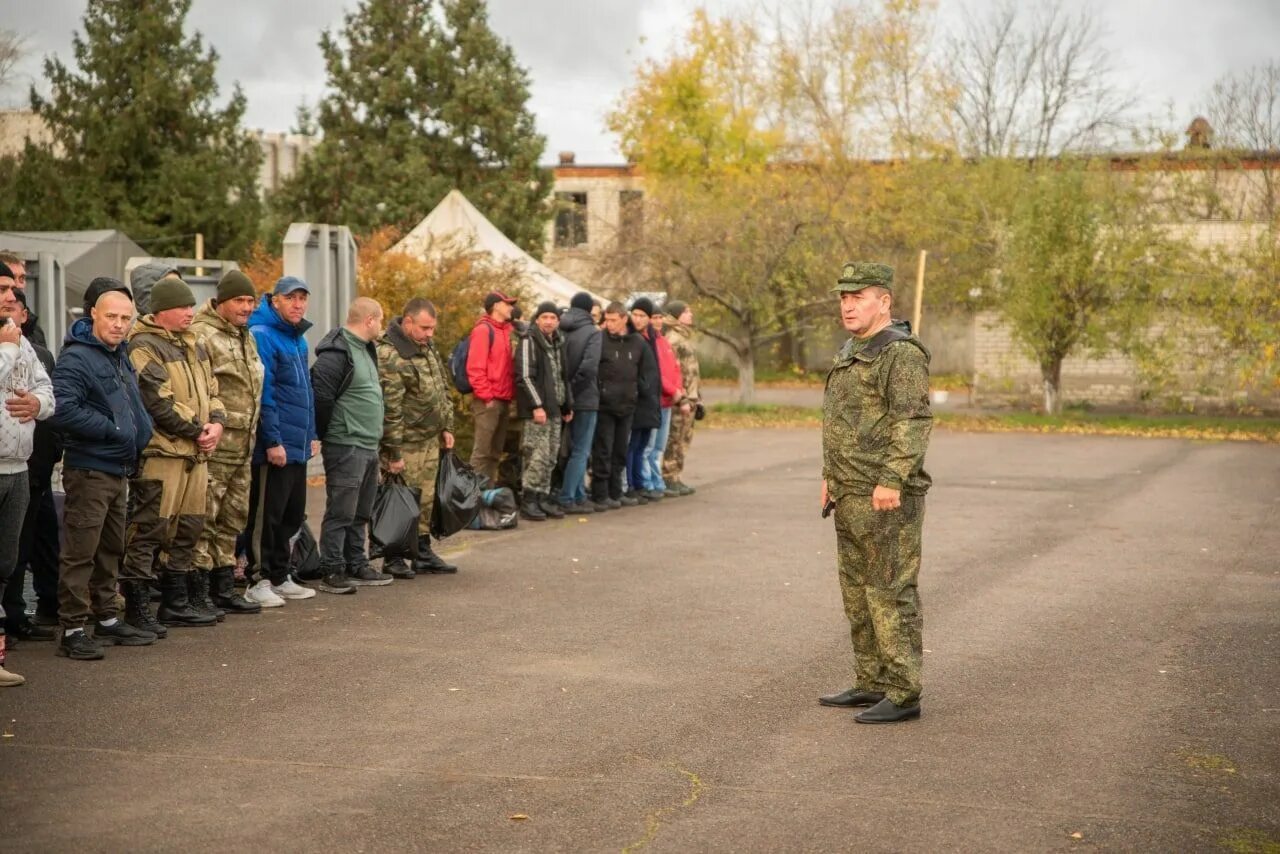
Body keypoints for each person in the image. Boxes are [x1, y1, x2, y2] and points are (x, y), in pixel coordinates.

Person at [818, 262, 933, 724]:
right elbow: (842, 422)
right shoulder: (853, 349)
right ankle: (872, 680)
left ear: (883, 302)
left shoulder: (900, 354)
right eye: (843, 297)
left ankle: (904, 692)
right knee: (857, 591)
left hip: (884, 494)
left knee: (890, 591)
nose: (847, 305)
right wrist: (830, 476)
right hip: (849, 490)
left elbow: (912, 421)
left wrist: (892, 478)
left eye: (858, 296)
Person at [51, 288, 154, 661]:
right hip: (90, 468)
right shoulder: (77, 358)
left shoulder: (119, 355)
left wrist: (141, 430)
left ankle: (107, 617)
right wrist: (113, 429)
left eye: (126, 318)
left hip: (119, 468)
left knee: (111, 548)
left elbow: (132, 406)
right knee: (81, 550)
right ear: (93, 313)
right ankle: (73, 627)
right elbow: (62, 410)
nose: (119, 324)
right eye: (112, 316)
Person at [122, 275, 227, 629]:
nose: (189, 311)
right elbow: (156, 401)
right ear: (162, 310)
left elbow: (213, 389)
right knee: (149, 530)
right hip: (163, 454)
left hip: (195, 455)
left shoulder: (194, 344)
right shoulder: (144, 346)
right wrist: (200, 430)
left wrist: (217, 423)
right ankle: (137, 610)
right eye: (182, 306)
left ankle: (176, 603)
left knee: (188, 529)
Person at [243, 276, 320, 608]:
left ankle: (280, 575)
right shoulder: (262, 335)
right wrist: (272, 440)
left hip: (298, 443)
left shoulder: (298, 340)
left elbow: (307, 392)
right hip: (275, 446)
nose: (298, 304)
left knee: (291, 513)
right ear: (274, 301)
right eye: (291, 298)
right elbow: (265, 394)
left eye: (303, 298)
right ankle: (258, 579)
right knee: (266, 515)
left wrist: (312, 433)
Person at [190, 270, 264, 615]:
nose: (247, 307)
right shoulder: (202, 334)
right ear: (221, 302)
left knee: (233, 518)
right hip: (216, 446)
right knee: (206, 517)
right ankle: (199, 591)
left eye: (251, 301)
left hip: (243, 447)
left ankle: (224, 585)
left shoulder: (244, 335)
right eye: (240, 300)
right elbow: (201, 389)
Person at [0, 262, 55, 684]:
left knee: (6, 563)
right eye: (0, 289)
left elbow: (46, 389)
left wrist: (37, 406)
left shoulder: (20, 339)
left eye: (11, 291)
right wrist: (6, 350)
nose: (8, 297)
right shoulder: (9, 342)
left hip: (17, 466)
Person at [376, 298, 458, 577]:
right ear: (408, 322)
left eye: (432, 328)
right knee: (402, 498)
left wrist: (447, 426)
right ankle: (393, 555)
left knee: (424, 498)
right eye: (424, 327)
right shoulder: (391, 354)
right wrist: (393, 452)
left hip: (429, 437)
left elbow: (441, 387)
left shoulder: (426, 347)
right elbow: (391, 407)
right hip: (406, 441)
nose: (429, 334)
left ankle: (422, 551)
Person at [312, 297, 388, 594]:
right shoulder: (337, 353)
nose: (381, 326)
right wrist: (322, 433)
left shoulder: (367, 350)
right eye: (380, 320)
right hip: (346, 443)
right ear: (369, 320)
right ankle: (332, 568)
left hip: (368, 444)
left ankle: (357, 562)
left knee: (362, 511)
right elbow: (322, 396)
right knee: (341, 510)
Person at [590, 302, 654, 512]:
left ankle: (615, 491)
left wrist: (638, 391)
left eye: (613, 320)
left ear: (623, 319)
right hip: (604, 405)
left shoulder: (637, 342)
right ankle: (600, 493)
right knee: (603, 450)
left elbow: (648, 371)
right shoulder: (599, 340)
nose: (609, 324)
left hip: (628, 405)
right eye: (606, 320)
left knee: (620, 450)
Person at [515, 301, 574, 521]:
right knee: (536, 456)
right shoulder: (529, 340)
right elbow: (525, 376)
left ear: (558, 321)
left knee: (550, 456)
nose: (549, 321)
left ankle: (542, 496)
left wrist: (567, 404)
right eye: (545, 317)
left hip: (556, 409)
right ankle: (529, 499)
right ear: (537, 319)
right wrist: (536, 405)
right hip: (539, 411)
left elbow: (562, 376)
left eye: (553, 318)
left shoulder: (559, 342)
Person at [556, 292, 602, 513]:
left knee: (566, 448)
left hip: (562, 398)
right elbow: (589, 368)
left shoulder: (560, 328)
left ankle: (578, 494)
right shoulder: (592, 332)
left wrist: (565, 394)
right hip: (584, 398)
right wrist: (573, 394)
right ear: (588, 309)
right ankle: (567, 497)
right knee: (580, 450)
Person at [466, 291, 517, 482]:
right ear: (496, 306)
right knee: (482, 453)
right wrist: (487, 397)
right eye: (507, 303)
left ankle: (486, 498)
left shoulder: (507, 330)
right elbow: (475, 368)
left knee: (495, 454)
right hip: (489, 401)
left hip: (503, 399)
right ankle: (471, 501)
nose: (511, 307)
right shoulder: (483, 330)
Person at [642, 308, 684, 500]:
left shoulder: (663, 341)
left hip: (668, 402)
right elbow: (657, 373)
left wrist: (679, 389)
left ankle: (657, 481)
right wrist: (671, 389)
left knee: (660, 445)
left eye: (660, 317)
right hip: (656, 400)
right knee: (649, 446)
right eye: (654, 318)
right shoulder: (649, 342)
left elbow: (675, 368)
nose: (658, 321)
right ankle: (648, 482)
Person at [661, 301, 701, 496]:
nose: (690, 314)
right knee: (674, 438)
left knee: (684, 438)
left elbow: (692, 371)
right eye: (687, 312)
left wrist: (697, 397)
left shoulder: (683, 337)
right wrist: (682, 397)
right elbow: (674, 371)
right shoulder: (673, 339)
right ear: (677, 315)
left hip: (690, 397)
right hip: (679, 399)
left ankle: (676, 475)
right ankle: (668, 476)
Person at [624, 298, 662, 504]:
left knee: (641, 444)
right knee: (632, 444)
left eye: (642, 316)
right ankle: (630, 484)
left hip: (649, 400)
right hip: (636, 399)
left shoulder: (651, 338)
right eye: (635, 314)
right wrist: (644, 388)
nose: (637, 319)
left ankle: (639, 483)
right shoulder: (630, 338)